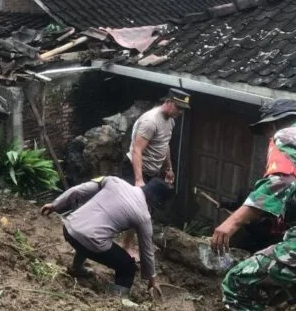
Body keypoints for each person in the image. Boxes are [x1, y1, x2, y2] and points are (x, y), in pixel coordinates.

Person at [211, 99, 296, 311]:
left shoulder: (288, 135)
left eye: (266, 132)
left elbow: (279, 182)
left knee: (238, 282)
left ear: (272, 125)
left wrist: (231, 222)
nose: (267, 137)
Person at [41, 176, 172, 298]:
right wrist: (152, 279)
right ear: (156, 202)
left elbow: (79, 190)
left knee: (93, 234)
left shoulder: (114, 181)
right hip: (90, 240)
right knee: (127, 267)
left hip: (70, 229)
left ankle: (76, 268)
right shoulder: (144, 216)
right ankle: (117, 300)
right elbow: (146, 250)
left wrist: (55, 205)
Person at [120, 88, 190, 260]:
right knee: (134, 209)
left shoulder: (170, 121)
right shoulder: (150, 121)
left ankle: (129, 243)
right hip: (136, 169)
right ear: (167, 102)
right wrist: (139, 180)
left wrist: (169, 168)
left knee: (145, 209)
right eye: (178, 107)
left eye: (183, 110)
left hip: (152, 171)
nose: (180, 112)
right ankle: (124, 245)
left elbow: (164, 145)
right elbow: (137, 150)